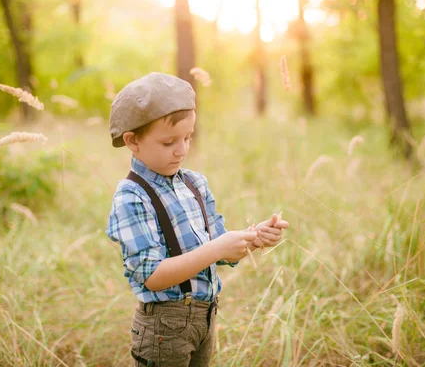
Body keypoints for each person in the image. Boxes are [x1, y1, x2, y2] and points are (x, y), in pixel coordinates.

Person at [105, 72, 289, 366]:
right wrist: (217, 249)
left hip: (206, 317)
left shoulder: (194, 183)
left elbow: (217, 243)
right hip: (163, 329)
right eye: (169, 142)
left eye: (188, 137)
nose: (182, 150)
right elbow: (152, 276)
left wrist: (252, 238)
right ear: (132, 141)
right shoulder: (132, 196)